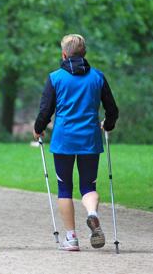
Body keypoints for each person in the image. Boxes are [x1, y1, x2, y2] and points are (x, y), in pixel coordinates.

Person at [33, 34, 119, 251]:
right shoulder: (98, 77)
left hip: (64, 140)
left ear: (64, 54)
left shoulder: (55, 78)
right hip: (89, 139)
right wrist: (108, 124)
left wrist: (38, 128)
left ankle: (71, 238)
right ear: (85, 54)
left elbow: (46, 110)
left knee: (64, 188)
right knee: (88, 186)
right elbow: (112, 110)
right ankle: (92, 213)